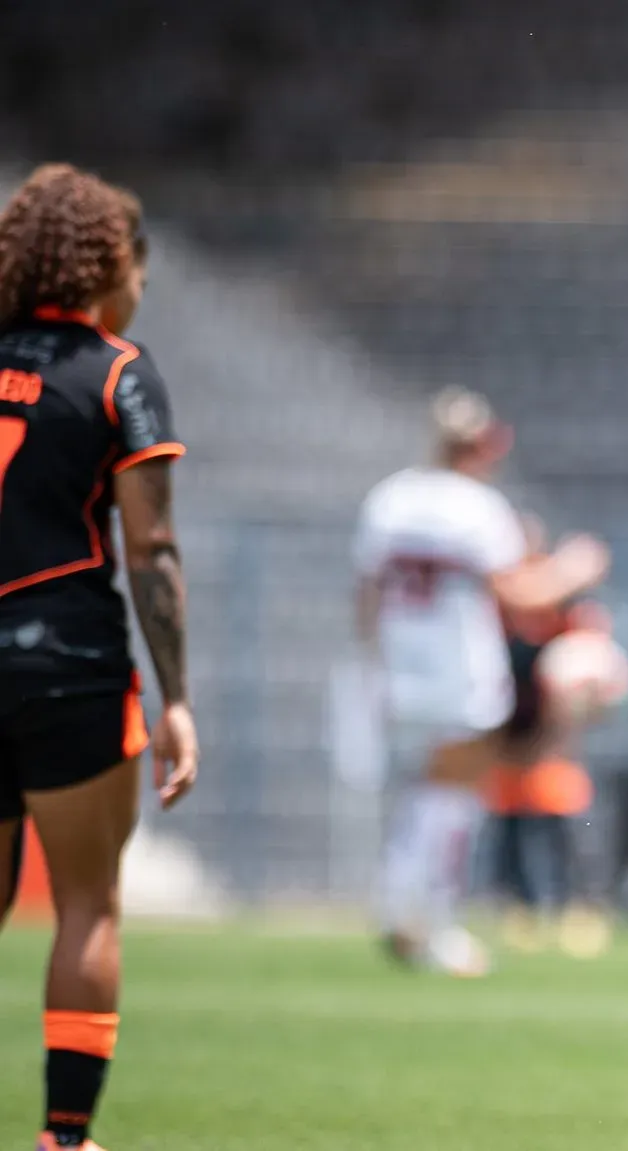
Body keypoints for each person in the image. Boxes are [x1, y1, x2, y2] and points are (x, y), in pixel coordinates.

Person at [0, 164, 198, 1151]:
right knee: (86, 903)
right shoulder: (119, 369)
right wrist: (178, 698)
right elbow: (150, 550)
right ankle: (65, 1139)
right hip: (66, 660)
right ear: (108, 262)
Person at [353, 390, 608, 976]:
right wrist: (576, 568)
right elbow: (519, 595)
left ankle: (405, 908)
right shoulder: (477, 506)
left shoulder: (389, 499)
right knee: (452, 798)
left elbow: (366, 594)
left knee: (427, 790)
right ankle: (421, 917)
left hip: (399, 664)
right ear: (481, 446)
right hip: (456, 669)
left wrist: (374, 662)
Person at [485, 514, 612, 957]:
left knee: (566, 817)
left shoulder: (569, 608)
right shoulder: (505, 594)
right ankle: (520, 909)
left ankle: (583, 909)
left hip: (553, 730)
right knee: (511, 820)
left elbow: (594, 667)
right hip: (508, 722)